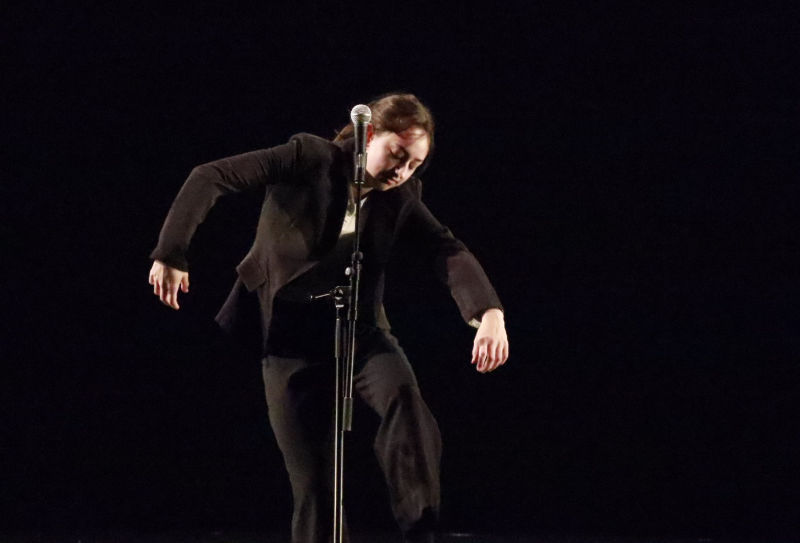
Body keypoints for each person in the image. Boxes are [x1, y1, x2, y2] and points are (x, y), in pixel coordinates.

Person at [148, 93, 509, 543]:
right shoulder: (310, 158)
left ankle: (423, 531)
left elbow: (444, 248)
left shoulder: (402, 196)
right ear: (369, 135)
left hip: (359, 332)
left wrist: (488, 311)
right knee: (317, 488)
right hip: (289, 341)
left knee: (405, 403)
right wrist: (171, 251)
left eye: (415, 164)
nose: (403, 172)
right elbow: (212, 176)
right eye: (398, 155)